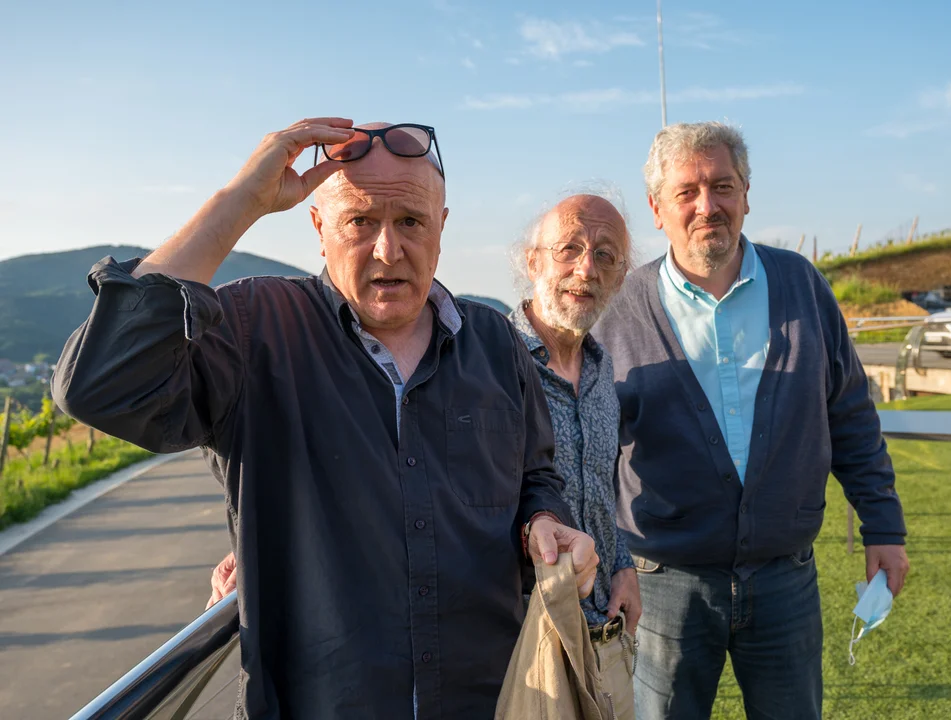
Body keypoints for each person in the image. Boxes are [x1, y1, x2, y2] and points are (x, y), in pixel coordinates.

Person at [52, 118, 599, 719]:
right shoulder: (255, 327)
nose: (388, 250)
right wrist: (241, 200)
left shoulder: (494, 340)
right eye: (360, 222)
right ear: (318, 227)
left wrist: (545, 520)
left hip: (493, 698)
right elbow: (99, 385)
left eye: (410, 222)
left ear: (441, 227)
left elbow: (534, 475)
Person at [206, 191, 644, 719]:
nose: (586, 269)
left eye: (605, 255)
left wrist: (619, 563)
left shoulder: (601, 369)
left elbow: (566, 482)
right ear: (533, 262)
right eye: (569, 248)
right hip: (516, 654)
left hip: (588, 636)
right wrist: (265, 543)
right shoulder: (488, 351)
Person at [591, 121, 911, 720]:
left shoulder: (802, 286)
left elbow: (850, 415)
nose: (707, 206)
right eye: (686, 192)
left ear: (746, 194)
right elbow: (591, 451)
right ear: (657, 209)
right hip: (663, 587)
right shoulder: (617, 309)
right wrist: (608, 562)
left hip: (785, 579)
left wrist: (884, 527)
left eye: (722, 186)